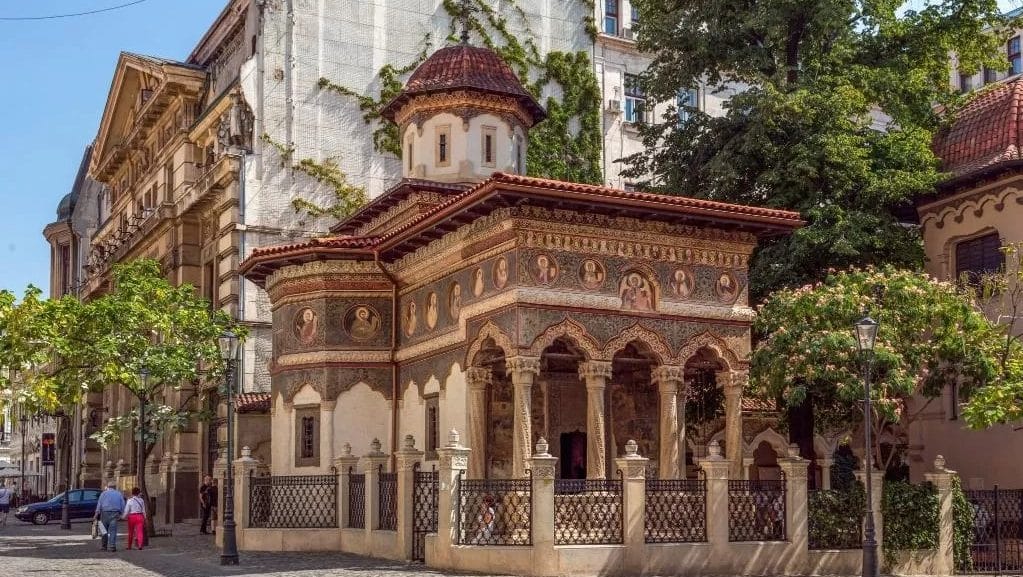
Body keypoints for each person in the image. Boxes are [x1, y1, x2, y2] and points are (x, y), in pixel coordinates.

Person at [95, 481, 126, 552]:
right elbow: (122, 504)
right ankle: (112, 546)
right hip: (115, 513)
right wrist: (122, 513)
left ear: (108, 487)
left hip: (104, 513)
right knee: (113, 531)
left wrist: (96, 514)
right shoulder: (118, 494)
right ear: (115, 487)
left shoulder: (103, 493)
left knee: (104, 531)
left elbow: (99, 504)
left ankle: (104, 546)